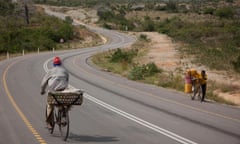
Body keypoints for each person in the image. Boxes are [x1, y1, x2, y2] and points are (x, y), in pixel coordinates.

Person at [40, 56, 69, 129]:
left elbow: (44, 83)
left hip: (53, 92)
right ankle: (63, 115)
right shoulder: (65, 71)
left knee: (49, 105)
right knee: (63, 103)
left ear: (54, 64)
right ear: (60, 63)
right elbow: (67, 80)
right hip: (63, 91)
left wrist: (42, 90)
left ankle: (49, 122)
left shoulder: (51, 71)